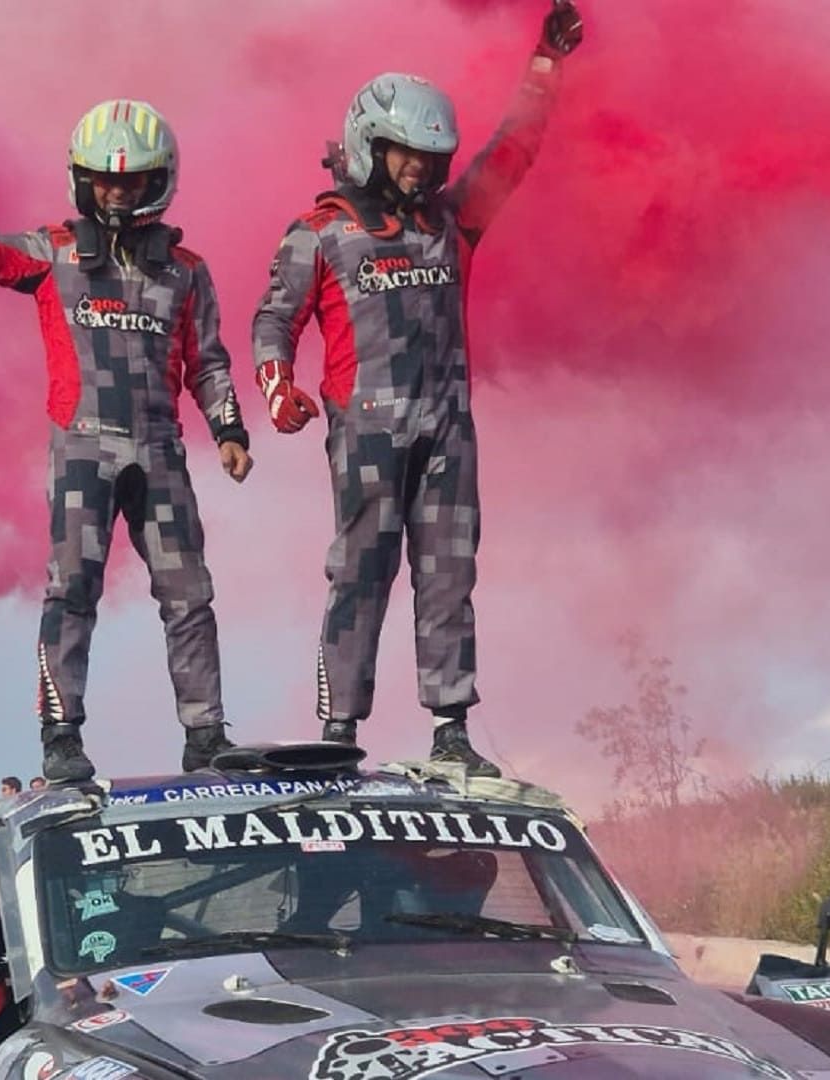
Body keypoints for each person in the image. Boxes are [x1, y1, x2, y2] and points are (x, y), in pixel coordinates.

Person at [0, 98, 253, 783]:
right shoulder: (52, 252)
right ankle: (60, 737)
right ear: (83, 179)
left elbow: (208, 361)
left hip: (160, 453)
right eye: (105, 179)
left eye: (132, 179)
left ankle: (205, 734)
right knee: (71, 593)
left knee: (190, 594)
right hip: (83, 449)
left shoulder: (187, 270)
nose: (118, 191)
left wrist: (230, 428)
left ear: (159, 181)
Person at [251, 2, 584, 777]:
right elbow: (273, 320)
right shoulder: (322, 230)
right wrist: (277, 389)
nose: (420, 170)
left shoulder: (451, 223)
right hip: (365, 432)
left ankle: (450, 726)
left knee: (449, 572)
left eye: (430, 158)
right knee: (360, 574)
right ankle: (337, 732)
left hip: (447, 431)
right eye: (405, 154)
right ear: (371, 144)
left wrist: (545, 64)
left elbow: (514, 154)